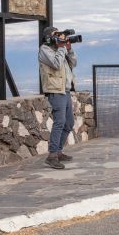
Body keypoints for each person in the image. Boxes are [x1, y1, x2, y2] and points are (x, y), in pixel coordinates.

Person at [39, 27, 78, 169]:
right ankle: (52, 155)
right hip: (55, 91)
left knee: (69, 123)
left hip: (65, 91)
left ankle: (58, 151)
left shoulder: (60, 50)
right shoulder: (45, 50)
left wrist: (69, 49)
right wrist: (61, 48)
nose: (59, 38)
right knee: (59, 122)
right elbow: (56, 64)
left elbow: (73, 63)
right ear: (49, 37)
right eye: (56, 35)